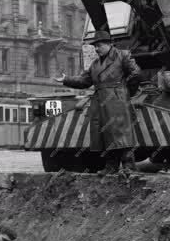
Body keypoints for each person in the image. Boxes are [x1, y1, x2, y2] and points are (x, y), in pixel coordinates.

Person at [54, 30, 141, 175]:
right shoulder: (95, 64)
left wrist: (125, 92)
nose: (96, 49)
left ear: (109, 44)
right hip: (101, 101)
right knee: (106, 134)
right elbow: (85, 81)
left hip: (117, 100)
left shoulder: (122, 55)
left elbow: (136, 73)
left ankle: (129, 167)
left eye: (99, 45)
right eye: (95, 46)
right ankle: (111, 166)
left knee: (122, 133)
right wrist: (66, 79)